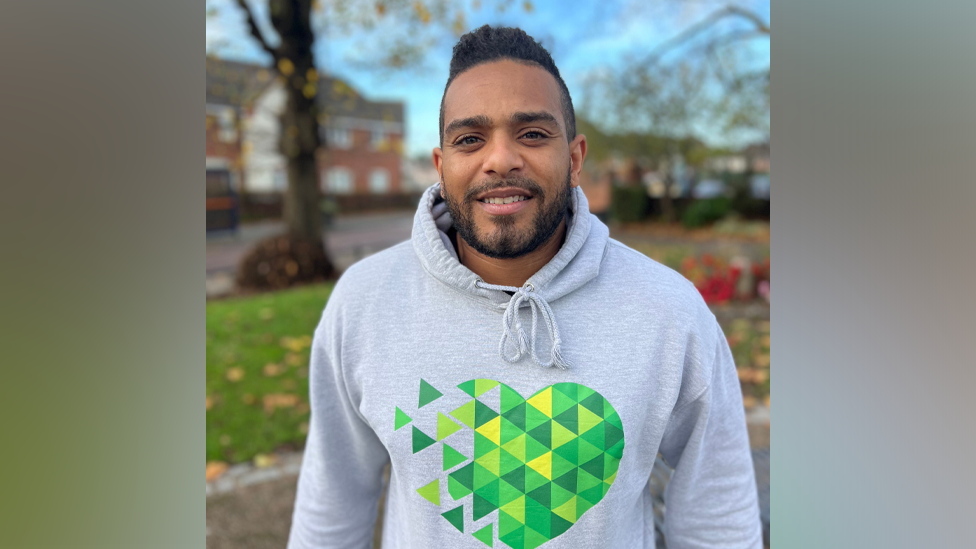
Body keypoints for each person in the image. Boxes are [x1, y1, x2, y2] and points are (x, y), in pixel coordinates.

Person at [287, 25, 762, 549]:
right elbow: (332, 505)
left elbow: (718, 518)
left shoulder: (670, 312)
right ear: (442, 168)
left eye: (532, 134)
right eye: (470, 139)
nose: (500, 159)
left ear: (576, 159)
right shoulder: (365, 302)